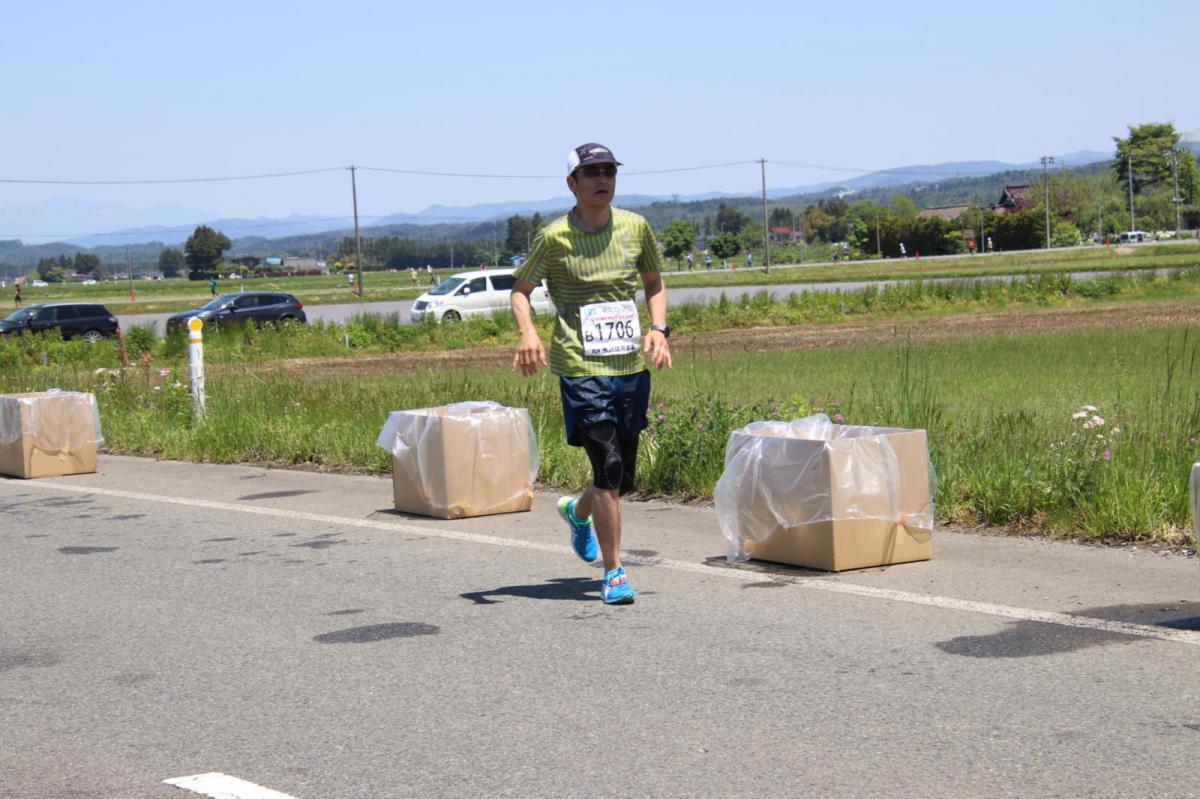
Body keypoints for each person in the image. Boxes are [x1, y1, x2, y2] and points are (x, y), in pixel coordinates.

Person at [511, 142, 671, 606]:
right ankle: (614, 570)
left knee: (623, 479)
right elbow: (520, 291)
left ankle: (578, 512)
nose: (603, 178)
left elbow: (654, 281)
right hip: (580, 366)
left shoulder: (636, 227)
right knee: (609, 466)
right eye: (592, 172)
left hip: (628, 364)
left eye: (609, 171)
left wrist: (658, 329)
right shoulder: (554, 237)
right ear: (572, 183)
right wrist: (528, 333)